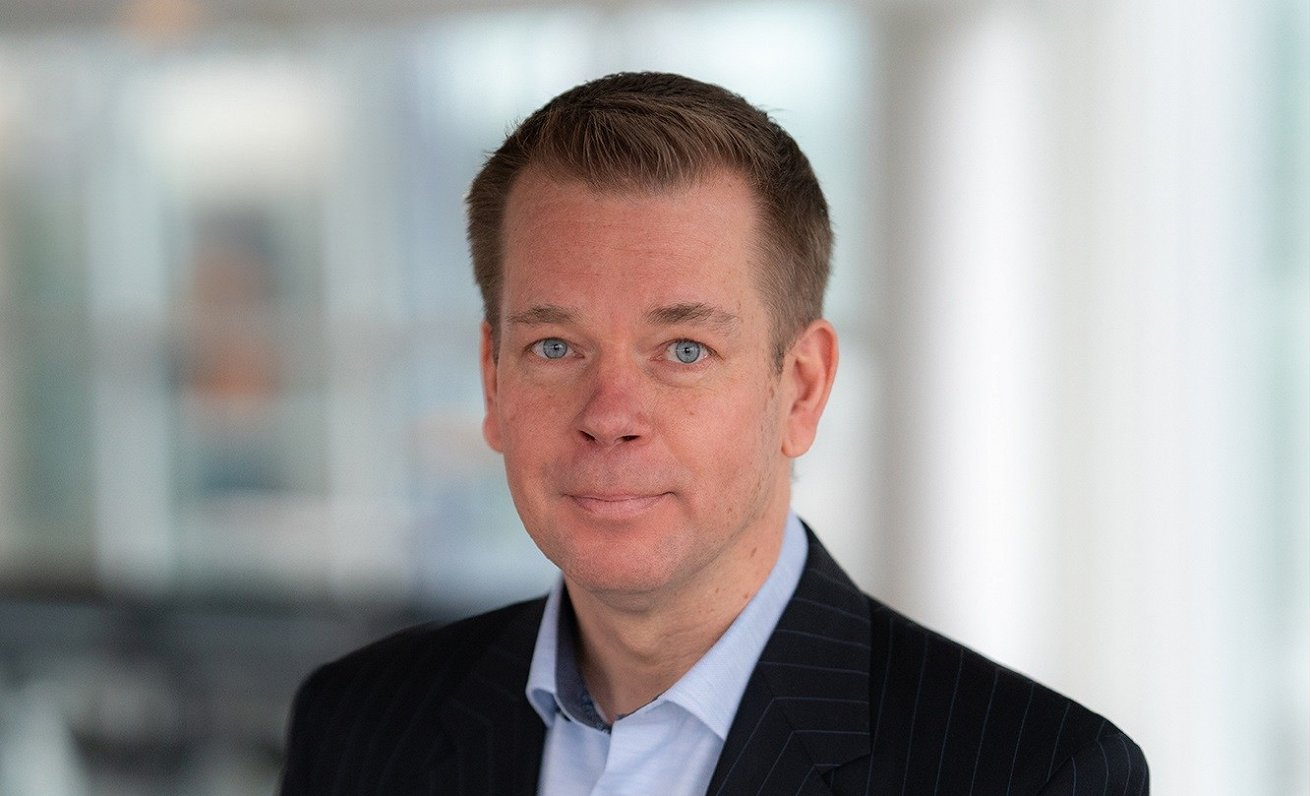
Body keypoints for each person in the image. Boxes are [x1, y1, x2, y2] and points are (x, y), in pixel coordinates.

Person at [279, 72, 1148, 795]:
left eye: (684, 349)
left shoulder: (1031, 774)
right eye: (554, 346)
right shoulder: (359, 725)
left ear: (800, 389)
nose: (609, 415)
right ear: (493, 381)